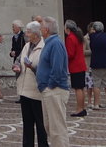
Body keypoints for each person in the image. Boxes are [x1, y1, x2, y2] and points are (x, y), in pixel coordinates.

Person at [35, 16, 70, 147]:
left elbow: (58, 68)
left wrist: (49, 85)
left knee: (57, 129)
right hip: (48, 90)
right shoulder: (49, 42)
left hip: (54, 90)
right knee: (50, 126)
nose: (39, 29)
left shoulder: (55, 43)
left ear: (46, 29)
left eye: (41, 26)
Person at [16, 20, 48, 147]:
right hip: (24, 90)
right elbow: (19, 59)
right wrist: (17, 65)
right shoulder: (26, 46)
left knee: (40, 123)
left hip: (36, 92)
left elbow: (45, 70)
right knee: (27, 123)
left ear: (35, 34)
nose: (26, 34)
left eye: (28, 32)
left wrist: (32, 67)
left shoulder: (44, 47)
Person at [87, 21, 106, 110]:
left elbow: (92, 47)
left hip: (96, 63)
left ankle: (96, 104)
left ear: (94, 29)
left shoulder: (92, 37)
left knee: (96, 84)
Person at [64, 19, 87, 117]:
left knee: (78, 88)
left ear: (67, 28)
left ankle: (79, 109)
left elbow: (70, 54)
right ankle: (82, 107)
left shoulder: (70, 38)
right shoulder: (78, 36)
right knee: (81, 88)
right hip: (81, 64)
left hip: (75, 66)